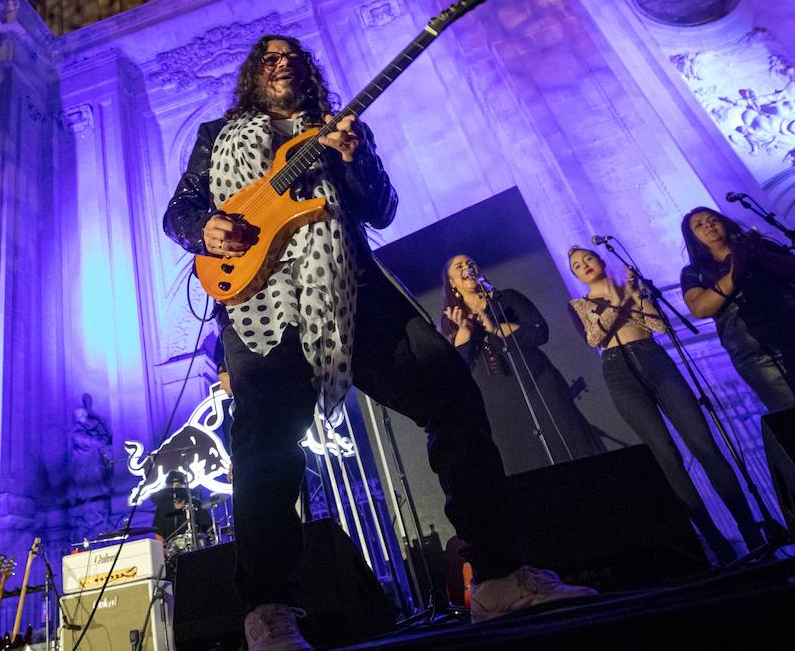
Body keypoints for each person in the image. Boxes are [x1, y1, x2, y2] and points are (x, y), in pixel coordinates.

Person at [163, 34, 593, 649]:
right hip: (261, 300)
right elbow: (180, 209)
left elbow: (384, 210)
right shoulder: (215, 135)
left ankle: (497, 576)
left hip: (352, 284)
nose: (282, 62)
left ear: (308, 72)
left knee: (449, 391)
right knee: (266, 447)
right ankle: (268, 611)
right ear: (254, 75)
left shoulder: (340, 130)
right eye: (269, 57)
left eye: (293, 55)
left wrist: (354, 157)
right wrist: (203, 228)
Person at [566, 245, 763, 562]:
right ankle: (715, 543)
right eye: (577, 265)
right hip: (619, 371)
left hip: (655, 359)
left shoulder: (632, 288)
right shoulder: (578, 304)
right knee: (666, 455)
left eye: (588, 258)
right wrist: (621, 299)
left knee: (704, 445)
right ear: (576, 275)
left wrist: (636, 294)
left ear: (601, 260)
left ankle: (750, 531)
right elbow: (595, 337)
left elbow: (659, 325)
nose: (584, 264)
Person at [679, 207, 795, 411]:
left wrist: (759, 254)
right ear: (692, 237)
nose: (708, 224)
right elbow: (700, 308)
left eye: (713, 219)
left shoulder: (762, 247)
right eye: (699, 225)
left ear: (724, 223)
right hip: (760, 352)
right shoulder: (694, 272)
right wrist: (738, 267)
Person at [439, 255, 603, 473]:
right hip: (499, 402)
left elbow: (539, 332)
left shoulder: (507, 299)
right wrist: (465, 331)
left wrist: (495, 328)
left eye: (470, 264)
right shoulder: (451, 320)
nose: (467, 268)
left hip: (538, 381)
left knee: (570, 441)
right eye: (459, 267)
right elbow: (458, 370)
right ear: (452, 283)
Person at [151, 470, 214, 549]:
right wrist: (163, 550)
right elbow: (158, 534)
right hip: (173, 551)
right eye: (173, 485)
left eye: (179, 485)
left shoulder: (195, 503)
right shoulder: (162, 508)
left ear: (185, 485)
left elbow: (208, 528)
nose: (176, 487)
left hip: (197, 547)